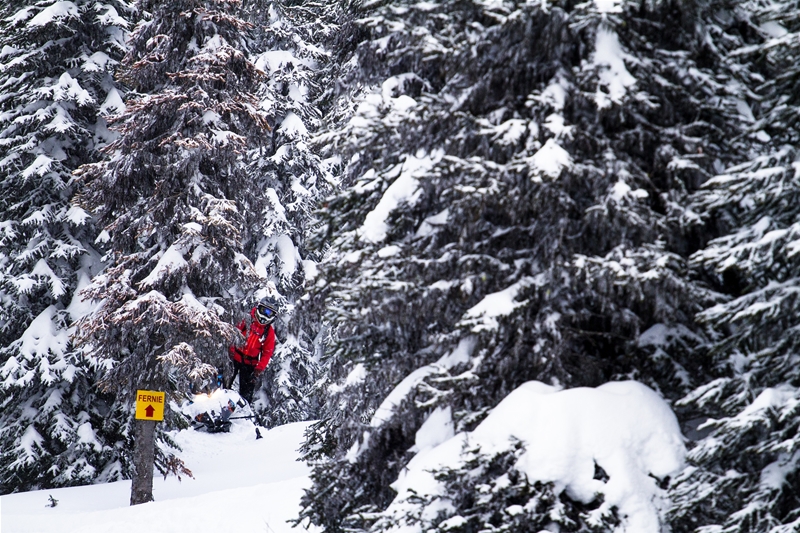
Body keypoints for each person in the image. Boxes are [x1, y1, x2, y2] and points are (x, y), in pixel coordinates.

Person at [228, 296, 278, 403]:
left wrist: (259, 369)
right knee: (224, 385)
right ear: (259, 308)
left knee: (246, 396)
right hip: (234, 358)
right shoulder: (247, 320)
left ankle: (241, 414)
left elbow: (267, 352)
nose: (265, 315)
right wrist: (231, 350)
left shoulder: (269, 332)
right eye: (264, 310)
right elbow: (234, 333)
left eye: (269, 313)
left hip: (250, 364)